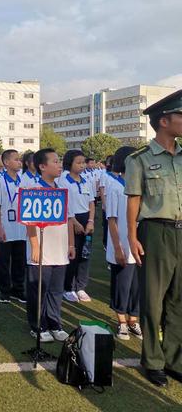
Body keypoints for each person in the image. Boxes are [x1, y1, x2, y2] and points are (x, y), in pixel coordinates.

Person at [125, 89, 182, 387]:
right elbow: (133, 201)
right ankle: (153, 360)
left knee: (178, 300)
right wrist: (132, 236)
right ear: (163, 121)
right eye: (180, 116)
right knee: (153, 301)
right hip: (155, 232)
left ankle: (175, 359)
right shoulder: (140, 159)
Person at [26, 148, 75, 343]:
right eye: (55, 161)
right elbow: (29, 221)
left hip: (60, 248)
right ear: (42, 166)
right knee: (39, 289)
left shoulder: (62, 189)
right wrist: (35, 246)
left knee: (56, 289)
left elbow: (69, 219)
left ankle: (55, 323)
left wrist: (71, 244)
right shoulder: (33, 189)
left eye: (59, 160)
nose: (59, 164)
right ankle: (38, 325)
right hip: (41, 250)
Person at [105, 146, 142, 341]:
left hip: (139, 243)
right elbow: (111, 219)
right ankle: (121, 321)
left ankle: (133, 319)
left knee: (137, 285)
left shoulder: (140, 184)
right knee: (122, 284)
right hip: (122, 243)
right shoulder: (114, 186)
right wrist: (118, 247)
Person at [59, 150, 95, 303]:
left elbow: (91, 202)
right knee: (72, 254)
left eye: (83, 162)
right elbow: (64, 204)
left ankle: (81, 286)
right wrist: (73, 222)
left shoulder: (86, 180)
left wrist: (91, 221)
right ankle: (68, 287)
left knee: (84, 255)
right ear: (70, 163)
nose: (82, 166)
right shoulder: (63, 181)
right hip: (71, 219)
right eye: (78, 163)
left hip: (86, 219)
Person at [0, 149, 26, 304]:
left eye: (20, 159)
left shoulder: (23, 180)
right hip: (6, 226)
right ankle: (5, 290)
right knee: (3, 261)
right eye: (16, 159)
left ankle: (18, 289)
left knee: (20, 261)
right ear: (6, 162)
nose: (19, 161)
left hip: (22, 228)